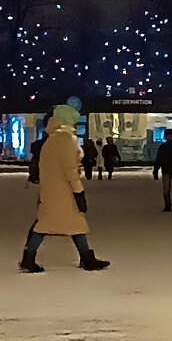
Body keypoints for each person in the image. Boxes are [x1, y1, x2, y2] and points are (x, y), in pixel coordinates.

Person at [19, 104, 110, 272]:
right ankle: (86, 259)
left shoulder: (51, 140)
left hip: (51, 191)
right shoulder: (65, 141)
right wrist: (79, 192)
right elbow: (71, 171)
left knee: (64, 224)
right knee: (57, 224)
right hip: (65, 192)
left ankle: (30, 257)